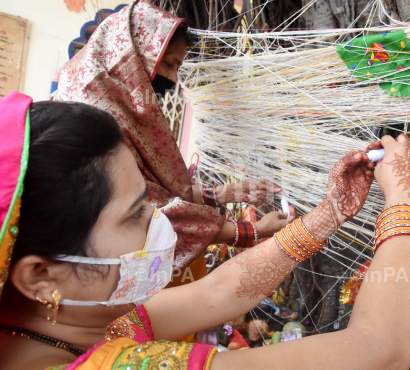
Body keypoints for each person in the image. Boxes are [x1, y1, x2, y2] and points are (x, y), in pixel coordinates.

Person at [0, 91, 410, 370]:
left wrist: (330, 212)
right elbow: (381, 350)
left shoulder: (71, 324)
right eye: (134, 215)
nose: (160, 221)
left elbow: (217, 293)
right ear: (41, 276)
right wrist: (404, 202)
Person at [52, 0, 294, 283]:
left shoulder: (111, 101)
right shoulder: (94, 123)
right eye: (168, 64)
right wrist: (251, 231)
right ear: (131, 55)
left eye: (177, 67)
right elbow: (152, 214)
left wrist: (227, 193)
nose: (172, 78)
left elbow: (153, 188)